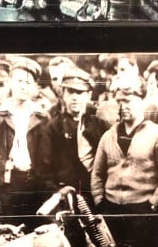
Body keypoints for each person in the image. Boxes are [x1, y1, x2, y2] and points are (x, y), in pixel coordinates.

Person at [91, 74, 158, 247]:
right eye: (119, 101)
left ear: (142, 100)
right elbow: (97, 172)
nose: (122, 106)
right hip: (110, 212)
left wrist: (152, 203)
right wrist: (100, 201)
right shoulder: (108, 135)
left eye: (127, 101)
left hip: (143, 214)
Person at [0, 56, 48, 225]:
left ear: (34, 86)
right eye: (19, 81)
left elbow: (46, 161)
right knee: (7, 230)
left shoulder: (41, 117)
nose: (23, 86)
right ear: (10, 82)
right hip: (6, 185)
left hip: (33, 186)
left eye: (28, 82)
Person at [38, 66, 109, 196]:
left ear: (88, 95)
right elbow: (43, 170)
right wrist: (57, 192)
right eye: (70, 92)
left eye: (80, 92)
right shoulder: (53, 128)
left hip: (95, 192)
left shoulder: (99, 125)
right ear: (63, 94)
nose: (75, 97)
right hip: (66, 193)